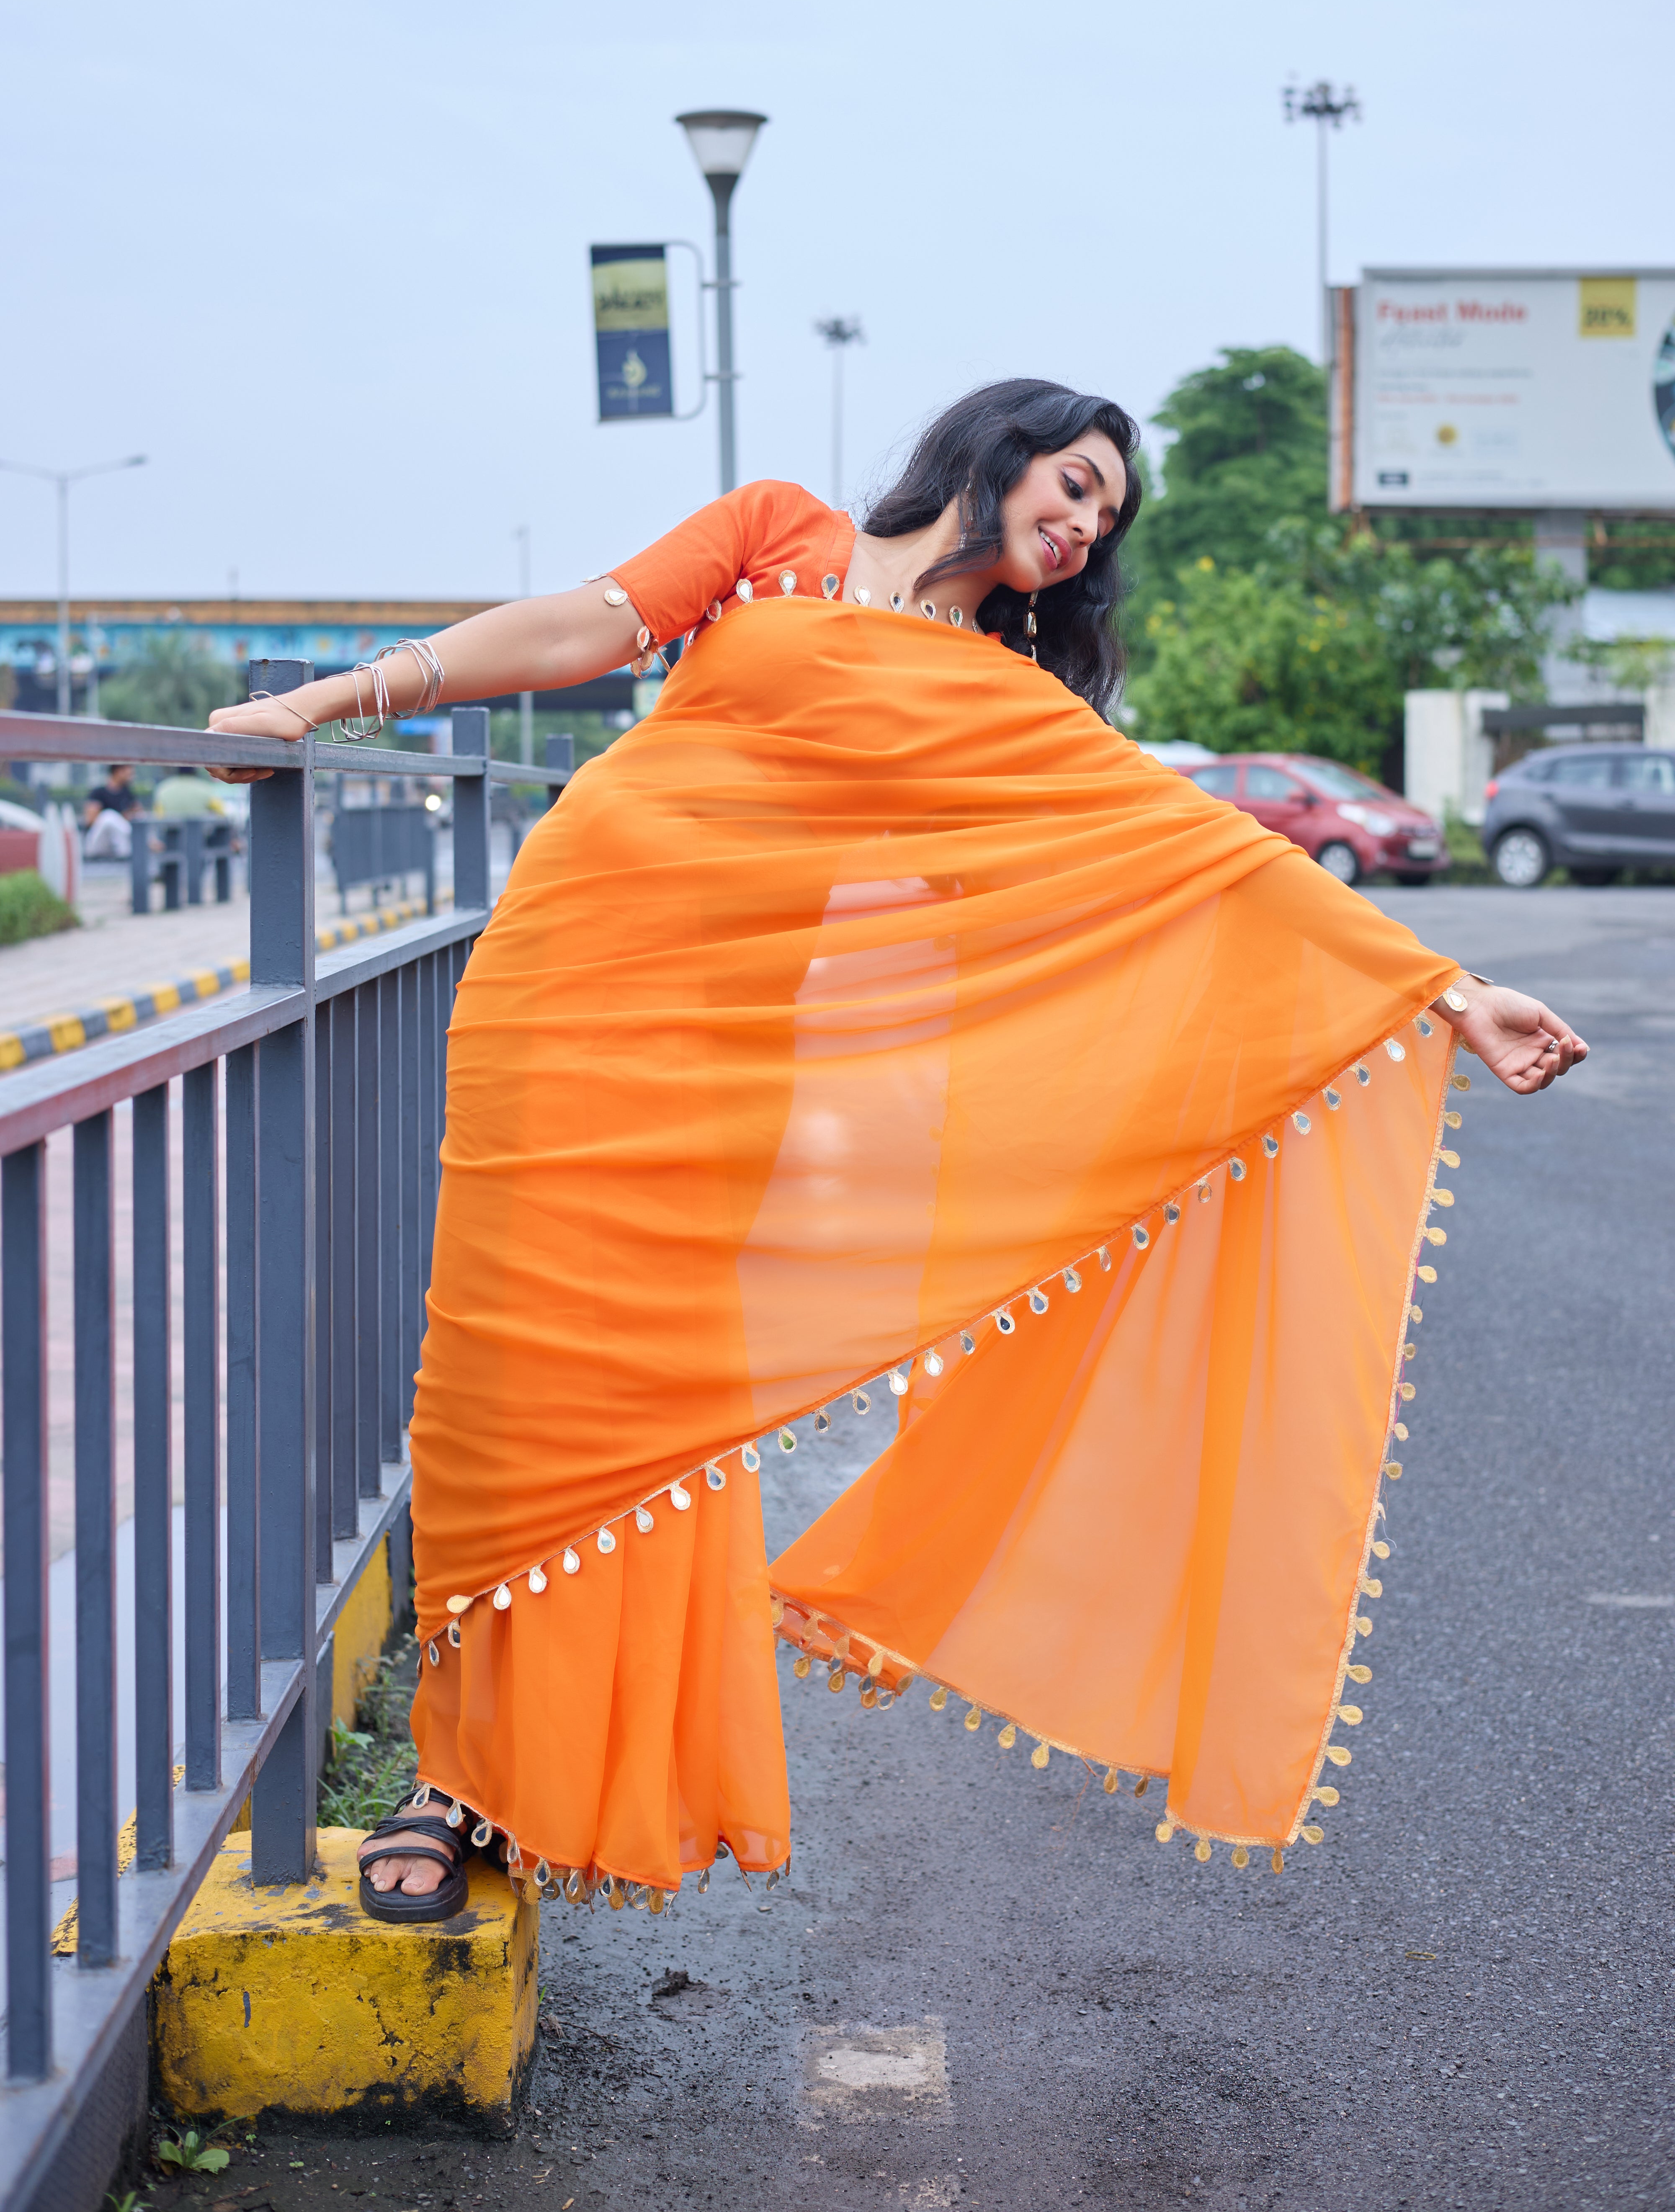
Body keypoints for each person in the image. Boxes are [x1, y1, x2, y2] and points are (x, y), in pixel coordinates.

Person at [207, 380, 1586, 1925]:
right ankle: (454, 1777)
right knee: (496, 1384)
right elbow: (574, 631)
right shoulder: (774, 530)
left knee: (638, 1401)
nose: (1078, 527)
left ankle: (541, 1774)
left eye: (1103, 520)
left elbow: (1189, 852)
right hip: (563, 988)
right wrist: (329, 704)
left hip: (722, 1062)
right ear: (993, 451)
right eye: (1071, 484)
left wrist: (1441, 989)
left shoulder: (1005, 693)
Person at [82, 762, 139, 860]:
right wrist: (121, 818)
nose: (132, 776)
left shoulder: (128, 794)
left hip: (120, 845)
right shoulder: (99, 793)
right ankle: (139, 843)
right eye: (129, 773)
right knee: (108, 817)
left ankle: (130, 853)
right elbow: (90, 820)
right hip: (97, 844)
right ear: (119, 772)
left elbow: (138, 815)